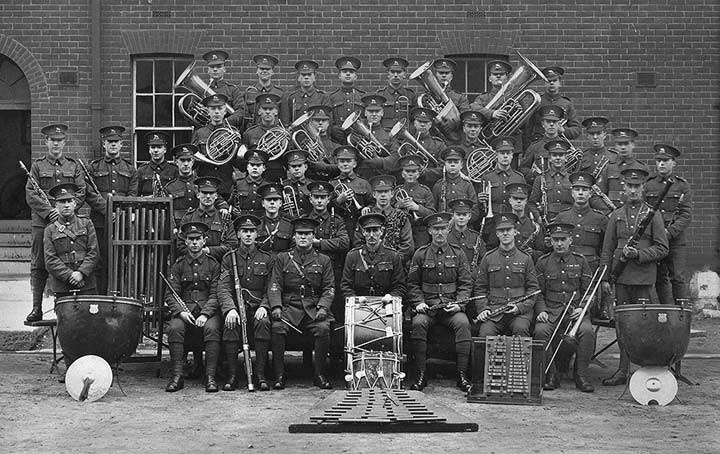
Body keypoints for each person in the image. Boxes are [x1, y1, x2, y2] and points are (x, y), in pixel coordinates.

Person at [600, 167, 669, 386]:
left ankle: (648, 371)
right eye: (629, 186)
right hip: (621, 280)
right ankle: (622, 370)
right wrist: (604, 279)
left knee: (646, 328)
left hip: (644, 280)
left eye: (637, 186)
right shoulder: (617, 215)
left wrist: (639, 254)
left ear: (643, 188)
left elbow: (662, 248)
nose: (633, 190)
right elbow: (607, 249)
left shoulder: (653, 214)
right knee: (622, 327)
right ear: (624, 188)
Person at [25, 124, 86, 322]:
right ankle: (36, 308)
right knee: (39, 262)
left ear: (64, 142)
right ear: (46, 142)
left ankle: (62, 306)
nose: (56, 144)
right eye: (52, 140)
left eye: (59, 140)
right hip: (43, 222)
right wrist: (49, 212)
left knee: (66, 259)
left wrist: (66, 211)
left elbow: (81, 191)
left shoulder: (72, 165)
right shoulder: (37, 166)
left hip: (68, 222)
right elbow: (31, 193)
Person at [407, 212, 474, 392]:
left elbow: (466, 284)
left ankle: (462, 375)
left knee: (463, 323)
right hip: (428, 309)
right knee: (418, 324)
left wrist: (460, 304)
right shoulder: (420, 254)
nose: (439, 233)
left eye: (443, 228)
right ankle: (421, 375)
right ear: (429, 231)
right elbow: (412, 284)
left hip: (451, 308)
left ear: (448, 229)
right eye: (436, 229)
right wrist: (418, 302)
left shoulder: (458, 254)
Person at [268, 217, 336, 390]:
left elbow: (329, 288)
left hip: (313, 308)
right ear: (294, 236)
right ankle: (279, 374)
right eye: (300, 234)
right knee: (277, 328)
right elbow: (275, 285)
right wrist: (276, 306)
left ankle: (319, 374)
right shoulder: (283, 258)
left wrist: (323, 307)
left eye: (307, 234)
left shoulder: (323, 260)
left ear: (313, 236)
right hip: (290, 307)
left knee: (322, 329)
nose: (303, 237)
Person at [533, 222, 595, 392]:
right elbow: (537, 292)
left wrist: (582, 308)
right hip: (551, 311)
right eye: (555, 240)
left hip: (574, 312)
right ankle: (551, 375)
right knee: (540, 331)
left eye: (563, 239)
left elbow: (589, 291)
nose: (559, 243)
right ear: (550, 241)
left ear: (570, 240)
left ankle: (581, 375)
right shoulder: (542, 262)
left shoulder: (581, 261)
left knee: (587, 332)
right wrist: (542, 310)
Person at [216, 214, 274, 391]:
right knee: (230, 324)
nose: (248, 235)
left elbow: (272, 288)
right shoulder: (229, 258)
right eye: (244, 231)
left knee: (263, 323)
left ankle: (260, 374)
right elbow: (223, 287)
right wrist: (230, 309)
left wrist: (264, 306)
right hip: (236, 306)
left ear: (257, 234)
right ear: (238, 234)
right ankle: (233, 375)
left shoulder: (267, 258)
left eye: (251, 231)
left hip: (258, 307)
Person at [165, 222, 223, 392]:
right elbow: (170, 294)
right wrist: (181, 312)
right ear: (186, 242)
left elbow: (216, 294)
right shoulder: (178, 265)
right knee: (175, 328)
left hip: (208, 310)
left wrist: (205, 314)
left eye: (198, 239)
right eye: (191, 239)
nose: (195, 243)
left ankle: (210, 376)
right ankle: (177, 376)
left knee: (212, 329)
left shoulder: (213, 265)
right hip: (185, 310)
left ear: (204, 241)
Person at [86, 125, 138, 294]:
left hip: (121, 223)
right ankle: (100, 300)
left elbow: (132, 195)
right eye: (110, 142)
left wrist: (120, 213)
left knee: (119, 262)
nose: (113, 145)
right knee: (99, 262)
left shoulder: (131, 170)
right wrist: (108, 211)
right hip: (100, 223)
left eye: (116, 142)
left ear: (122, 144)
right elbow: (91, 194)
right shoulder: (93, 168)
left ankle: (118, 300)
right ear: (104, 144)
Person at [474, 213, 540, 337]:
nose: (505, 233)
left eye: (508, 230)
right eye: (501, 230)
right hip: (494, 310)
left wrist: (520, 307)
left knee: (521, 329)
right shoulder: (488, 258)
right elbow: (480, 288)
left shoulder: (526, 258)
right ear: (497, 233)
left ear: (515, 232)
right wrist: (484, 309)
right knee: (485, 333)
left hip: (520, 312)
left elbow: (533, 289)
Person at [555, 171, 609, 318]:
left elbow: (605, 250)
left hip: (591, 270)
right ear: (572, 193)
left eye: (584, 190)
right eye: (577, 189)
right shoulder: (562, 217)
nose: (580, 193)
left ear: (590, 193)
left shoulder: (600, 219)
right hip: (566, 269)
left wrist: (603, 277)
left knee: (588, 314)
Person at [644, 144, 692, 305]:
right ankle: (666, 313)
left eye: (665, 161)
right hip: (656, 241)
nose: (661, 164)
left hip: (676, 240)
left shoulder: (682, 185)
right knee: (660, 277)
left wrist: (669, 232)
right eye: (658, 161)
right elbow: (645, 212)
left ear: (674, 163)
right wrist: (657, 234)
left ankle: (682, 315)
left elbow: (686, 214)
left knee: (677, 277)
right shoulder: (648, 185)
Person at [43, 183, 99, 297]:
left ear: (75, 203)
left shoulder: (86, 224)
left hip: (87, 284)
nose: (66, 205)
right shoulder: (50, 229)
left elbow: (94, 252)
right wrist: (69, 275)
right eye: (62, 202)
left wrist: (81, 273)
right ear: (56, 205)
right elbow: (50, 260)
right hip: (62, 285)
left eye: (69, 201)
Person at [306, 180, 350, 321]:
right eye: (316, 197)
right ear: (310, 199)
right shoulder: (305, 221)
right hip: (309, 268)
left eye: (323, 197)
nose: (319, 201)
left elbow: (344, 243)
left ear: (329, 199)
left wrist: (319, 243)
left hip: (332, 268)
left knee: (335, 306)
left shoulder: (337, 220)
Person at [341, 213, 406, 298]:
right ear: (363, 232)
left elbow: (400, 286)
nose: (371, 235)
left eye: (375, 230)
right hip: (360, 304)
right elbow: (346, 286)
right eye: (368, 231)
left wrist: (390, 296)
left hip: (386, 303)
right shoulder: (353, 256)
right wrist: (356, 299)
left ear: (381, 232)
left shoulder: (393, 256)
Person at [353, 174, 414, 264]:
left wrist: (392, 261)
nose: (383, 195)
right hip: (369, 264)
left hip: (395, 265)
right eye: (379, 192)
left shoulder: (401, 216)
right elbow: (358, 242)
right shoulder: (366, 215)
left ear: (392, 194)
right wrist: (371, 261)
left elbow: (407, 245)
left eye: (386, 191)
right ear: (374, 194)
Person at [164, 144, 229, 227]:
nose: (186, 164)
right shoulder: (170, 187)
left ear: (193, 162)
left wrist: (223, 207)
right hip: (179, 227)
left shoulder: (201, 183)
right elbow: (166, 213)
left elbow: (216, 198)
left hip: (200, 227)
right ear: (176, 162)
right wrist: (173, 228)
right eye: (182, 160)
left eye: (189, 160)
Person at [191, 94, 241, 201]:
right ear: (208, 111)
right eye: (213, 109)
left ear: (225, 111)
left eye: (220, 108)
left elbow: (239, 164)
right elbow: (193, 162)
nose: (217, 112)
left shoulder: (232, 133)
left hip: (226, 185)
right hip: (206, 185)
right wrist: (206, 157)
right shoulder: (199, 133)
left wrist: (237, 146)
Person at [477, 136, 526, 243]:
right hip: (492, 222)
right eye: (502, 153)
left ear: (512, 155)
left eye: (508, 153)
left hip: (511, 221)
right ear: (496, 155)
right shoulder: (487, 177)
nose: (505, 156)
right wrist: (481, 201)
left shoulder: (519, 178)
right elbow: (481, 208)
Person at [177, 176, 237, 262]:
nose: (208, 196)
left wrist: (209, 251)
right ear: (198, 195)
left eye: (211, 193)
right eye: (204, 193)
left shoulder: (224, 218)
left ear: (216, 196)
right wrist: (197, 253)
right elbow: (181, 245)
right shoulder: (189, 218)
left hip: (218, 265)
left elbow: (232, 245)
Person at [523, 66, 582, 147]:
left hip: (560, 146)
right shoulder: (537, 102)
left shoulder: (566, 104)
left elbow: (577, 130)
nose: (551, 83)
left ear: (559, 83)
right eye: (548, 81)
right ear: (545, 83)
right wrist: (528, 149)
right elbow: (527, 129)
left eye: (554, 80)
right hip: (539, 145)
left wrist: (563, 130)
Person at [596, 128, 649, 209]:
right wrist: (608, 213)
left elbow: (647, 197)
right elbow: (598, 195)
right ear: (615, 146)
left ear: (633, 145)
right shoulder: (608, 167)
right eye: (620, 144)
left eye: (626, 144)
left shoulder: (642, 168)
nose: (623, 147)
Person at [329, 145, 372, 239]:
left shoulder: (364, 183)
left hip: (359, 225)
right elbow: (327, 208)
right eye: (342, 161)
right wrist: (338, 200)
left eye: (348, 161)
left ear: (355, 164)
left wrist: (367, 208)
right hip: (339, 227)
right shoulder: (332, 184)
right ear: (337, 163)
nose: (345, 164)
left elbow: (372, 203)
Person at [394, 155, 436, 247]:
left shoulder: (425, 191)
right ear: (402, 174)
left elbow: (433, 214)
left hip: (421, 234)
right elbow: (389, 213)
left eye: (413, 171)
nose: (410, 174)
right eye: (407, 171)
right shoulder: (397, 191)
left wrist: (417, 208)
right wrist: (398, 205)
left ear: (418, 174)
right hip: (401, 233)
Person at [529, 139, 574, 222]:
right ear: (549, 158)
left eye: (561, 155)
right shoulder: (541, 178)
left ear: (566, 158)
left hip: (569, 220)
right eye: (554, 155)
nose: (557, 158)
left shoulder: (572, 179)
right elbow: (532, 203)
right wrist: (538, 216)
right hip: (547, 220)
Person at [520, 105, 565, 186]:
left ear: (559, 124)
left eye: (554, 122)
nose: (551, 124)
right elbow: (523, 169)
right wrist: (533, 173)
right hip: (540, 188)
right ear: (543, 124)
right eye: (548, 121)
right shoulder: (534, 147)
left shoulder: (566, 147)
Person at [432, 146, 479, 222]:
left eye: (456, 162)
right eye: (449, 162)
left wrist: (460, 220)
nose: (452, 165)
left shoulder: (467, 185)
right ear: (445, 164)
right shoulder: (438, 186)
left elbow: (475, 213)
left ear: (461, 165)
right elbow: (433, 211)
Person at [202, 50, 246, 126]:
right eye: (212, 67)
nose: (215, 69)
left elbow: (241, 111)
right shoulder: (203, 90)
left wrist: (224, 122)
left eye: (219, 66)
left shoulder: (232, 90)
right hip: (205, 129)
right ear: (208, 70)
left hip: (227, 131)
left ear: (224, 69)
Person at [280, 60, 331, 125]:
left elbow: (327, 122)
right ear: (298, 77)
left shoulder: (323, 97)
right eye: (303, 75)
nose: (306, 77)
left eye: (309, 75)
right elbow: (286, 122)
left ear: (314, 77)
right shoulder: (291, 98)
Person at [505, 182, 546, 261]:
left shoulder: (534, 226)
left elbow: (542, 251)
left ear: (526, 201)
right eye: (515, 198)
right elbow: (492, 248)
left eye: (522, 199)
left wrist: (533, 253)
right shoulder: (502, 223)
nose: (519, 201)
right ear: (510, 200)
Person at [329, 56, 365, 142]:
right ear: (339, 76)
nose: (348, 74)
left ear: (356, 76)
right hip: (338, 140)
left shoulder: (362, 97)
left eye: (351, 72)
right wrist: (333, 129)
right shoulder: (332, 97)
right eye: (344, 72)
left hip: (358, 139)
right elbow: (329, 121)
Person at [243, 54, 284, 127]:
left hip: (274, 133)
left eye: (268, 69)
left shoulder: (280, 93)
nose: (264, 71)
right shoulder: (249, 92)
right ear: (257, 71)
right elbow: (244, 117)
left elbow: (284, 119)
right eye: (261, 69)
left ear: (272, 72)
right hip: (253, 133)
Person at [376, 57, 416, 131]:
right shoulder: (380, 95)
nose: (395, 75)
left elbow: (415, 119)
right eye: (392, 72)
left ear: (404, 74)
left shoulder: (410, 95)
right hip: (386, 135)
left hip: (406, 135)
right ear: (387, 74)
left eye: (399, 72)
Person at [446, 198, 485, 272]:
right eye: (458, 214)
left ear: (469, 216)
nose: (461, 217)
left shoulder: (476, 237)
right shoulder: (446, 237)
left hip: (471, 279)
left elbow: (483, 260)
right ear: (453, 216)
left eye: (464, 214)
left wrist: (475, 273)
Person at [229, 149, 270, 218]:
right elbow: (229, 204)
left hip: (261, 223)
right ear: (247, 167)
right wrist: (233, 210)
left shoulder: (267, 186)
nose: (255, 168)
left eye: (258, 165)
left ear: (264, 168)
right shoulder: (238, 184)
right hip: (241, 222)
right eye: (252, 165)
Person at [255, 182, 294, 254]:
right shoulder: (257, 224)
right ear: (263, 203)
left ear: (280, 203)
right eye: (268, 200)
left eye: (275, 199)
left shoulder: (290, 224)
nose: (272, 202)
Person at [136, 131, 178, 196]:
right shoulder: (141, 170)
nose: (156, 150)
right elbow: (136, 195)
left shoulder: (174, 170)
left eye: (159, 147)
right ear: (149, 150)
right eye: (153, 147)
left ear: (165, 149)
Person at [281, 150, 313, 218]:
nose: (296, 169)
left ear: (305, 167)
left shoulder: (312, 184)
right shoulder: (283, 185)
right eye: (293, 166)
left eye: (299, 166)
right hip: (289, 221)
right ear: (289, 168)